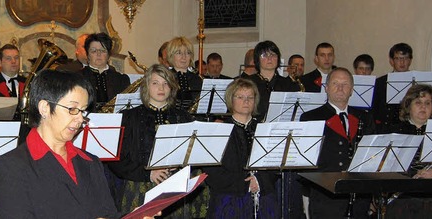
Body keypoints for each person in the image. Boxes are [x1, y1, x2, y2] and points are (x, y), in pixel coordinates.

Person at [0, 69, 121, 218]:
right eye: (73, 109)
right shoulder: (12, 165)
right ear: (44, 108)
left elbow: (107, 214)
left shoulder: (91, 161)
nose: (80, 119)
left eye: (83, 111)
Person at [109, 64, 205, 217]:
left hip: (176, 188)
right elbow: (116, 159)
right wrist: (148, 174)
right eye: (155, 83)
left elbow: (197, 157)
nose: (161, 88)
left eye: (165, 83)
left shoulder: (184, 118)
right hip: (139, 187)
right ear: (146, 87)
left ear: (172, 87)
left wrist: (181, 167)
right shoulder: (129, 117)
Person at [300, 67, 375, 219]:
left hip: (359, 195)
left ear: (352, 90)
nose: (340, 88)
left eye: (345, 84)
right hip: (326, 195)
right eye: (335, 83)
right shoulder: (310, 117)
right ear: (326, 88)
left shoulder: (365, 118)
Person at [201, 78, 279, 218]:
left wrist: (259, 181)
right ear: (231, 99)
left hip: (263, 199)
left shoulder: (264, 129)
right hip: (228, 202)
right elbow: (212, 173)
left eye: (250, 97)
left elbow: (274, 165)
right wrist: (246, 184)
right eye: (241, 97)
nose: (246, 101)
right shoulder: (218, 131)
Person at [384, 84, 432, 218]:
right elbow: (384, 166)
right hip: (402, 199)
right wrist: (411, 174)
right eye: (418, 102)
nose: (423, 107)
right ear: (408, 106)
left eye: (428, 103)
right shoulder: (393, 132)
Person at [245, 40, 297, 121]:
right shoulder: (248, 82)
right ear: (257, 59)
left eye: (273, 55)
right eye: (264, 55)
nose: (270, 58)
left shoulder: (288, 83)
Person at [80, 32, 130, 111]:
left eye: (103, 51)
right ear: (87, 55)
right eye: (93, 51)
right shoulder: (77, 78)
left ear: (109, 55)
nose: (98, 54)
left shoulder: (122, 79)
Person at [372, 43, 414, 131]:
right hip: (386, 128)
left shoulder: (417, 83)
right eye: (398, 58)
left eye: (405, 58)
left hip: (410, 128)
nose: (402, 62)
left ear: (410, 60)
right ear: (391, 61)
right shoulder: (380, 82)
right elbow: (375, 109)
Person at [166, 37, 203, 111]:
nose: (184, 57)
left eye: (188, 53)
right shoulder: (165, 78)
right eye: (179, 53)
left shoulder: (198, 79)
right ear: (171, 56)